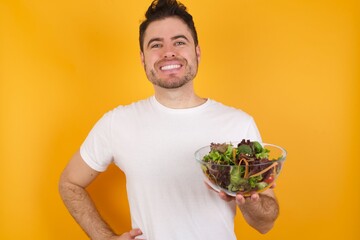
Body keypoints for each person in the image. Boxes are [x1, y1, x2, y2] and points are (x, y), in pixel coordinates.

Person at [58, 0, 279, 239]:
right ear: (143, 59)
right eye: (156, 45)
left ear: (197, 52)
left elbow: (265, 223)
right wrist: (106, 237)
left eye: (179, 42)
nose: (168, 52)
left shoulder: (238, 124)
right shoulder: (117, 123)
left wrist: (247, 200)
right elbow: (69, 183)